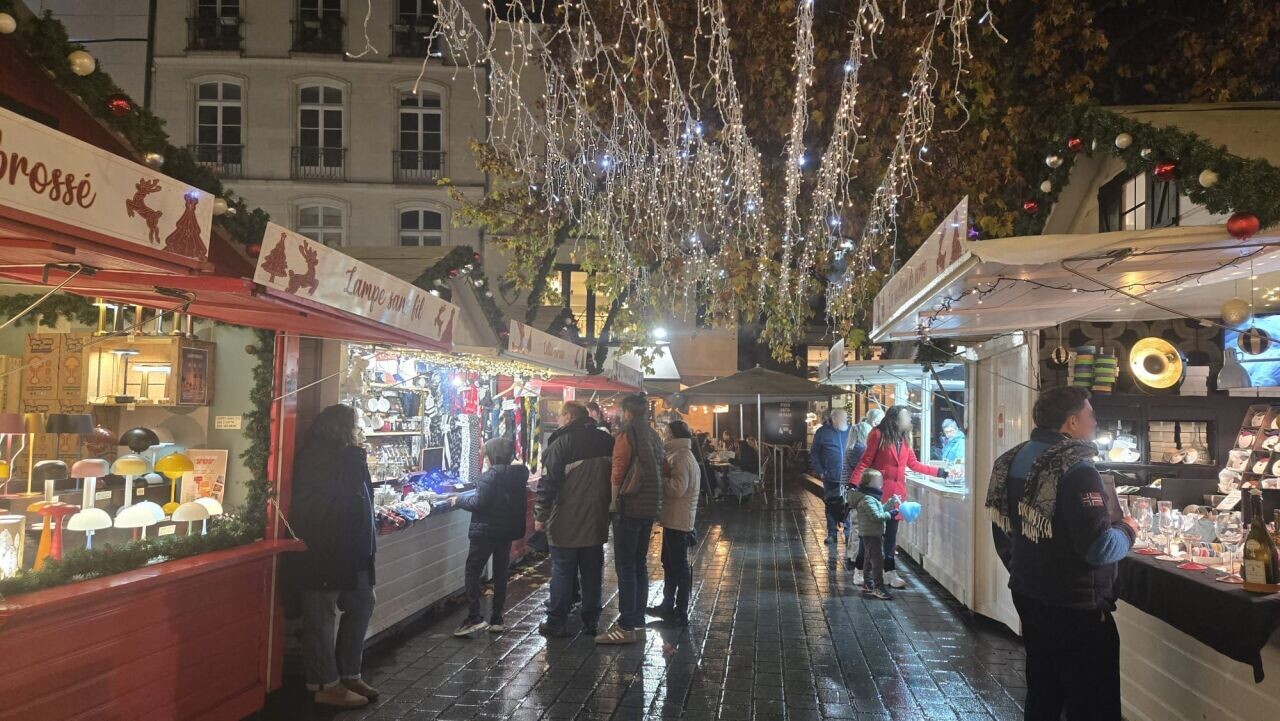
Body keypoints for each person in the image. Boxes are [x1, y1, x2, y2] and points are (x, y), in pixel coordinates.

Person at [986, 387, 1137, 721]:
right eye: (1090, 415)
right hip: (1076, 607)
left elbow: (1003, 531)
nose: (1095, 422)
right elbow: (1100, 549)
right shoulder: (1077, 469)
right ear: (1071, 422)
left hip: (1029, 595)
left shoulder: (1013, 458)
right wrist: (1128, 529)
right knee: (1092, 704)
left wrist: (1028, 570)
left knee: (1044, 694)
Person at [289, 404, 378, 709]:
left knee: (363, 604)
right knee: (321, 617)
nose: (359, 430)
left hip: (355, 551)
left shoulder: (345, 456)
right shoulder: (320, 457)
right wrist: (355, 459)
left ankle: (349, 673)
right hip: (325, 552)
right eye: (355, 424)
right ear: (341, 428)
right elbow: (338, 499)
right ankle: (325, 683)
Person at [535, 401, 614, 638]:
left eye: (559, 416)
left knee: (562, 571)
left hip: (565, 521)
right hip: (597, 518)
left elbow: (548, 484)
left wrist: (540, 516)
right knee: (591, 572)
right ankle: (591, 619)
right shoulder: (606, 441)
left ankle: (556, 620)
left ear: (568, 417)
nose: (558, 420)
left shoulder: (561, 444)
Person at [847, 405, 947, 587]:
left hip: (897, 495)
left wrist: (940, 472)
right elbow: (865, 461)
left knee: (891, 537)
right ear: (895, 419)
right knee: (870, 535)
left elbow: (914, 464)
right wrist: (854, 484)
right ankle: (859, 570)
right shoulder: (877, 435)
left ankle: (890, 573)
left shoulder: (905, 439)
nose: (910, 420)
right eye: (907, 417)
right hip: (877, 493)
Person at [598, 393, 664, 644]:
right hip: (650, 507)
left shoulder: (627, 435)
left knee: (625, 564)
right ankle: (636, 617)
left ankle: (626, 624)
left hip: (629, 506)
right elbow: (663, 468)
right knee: (638, 563)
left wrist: (613, 501)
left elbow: (618, 470)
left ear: (628, 412)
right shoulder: (654, 436)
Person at [453, 437, 528, 637]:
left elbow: (479, 503)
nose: (485, 459)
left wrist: (458, 499)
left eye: (486, 455)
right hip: (505, 531)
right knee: (501, 572)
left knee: (473, 570)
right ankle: (497, 618)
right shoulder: (518, 474)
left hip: (485, 531)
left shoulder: (490, 476)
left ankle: (474, 617)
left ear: (493, 455)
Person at [649, 420, 699, 627]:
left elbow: (679, 488)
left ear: (672, 436)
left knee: (678, 567)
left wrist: (658, 479)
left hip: (679, 520)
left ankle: (680, 610)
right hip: (674, 518)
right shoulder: (680, 455)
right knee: (669, 564)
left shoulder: (680, 457)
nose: (663, 436)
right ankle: (667, 605)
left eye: (666, 433)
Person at [846, 469, 901, 600]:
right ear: (870, 483)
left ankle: (868, 582)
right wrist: (891, 514)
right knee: (877, 561)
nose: (881, 482)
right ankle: (878, 587)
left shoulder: (870, 497)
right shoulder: (867, 499)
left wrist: (890, 502)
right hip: (871, 533)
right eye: (879, 480)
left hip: (871, 532)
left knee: (868, 558)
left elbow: (879, 509)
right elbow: (876, 516)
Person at [810, 409, 853, 547]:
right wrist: (821, 471)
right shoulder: (822, 432)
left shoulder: (852, 431)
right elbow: (815, 453)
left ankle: (848, 533)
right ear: (833, 418)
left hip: (848, 477)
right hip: (831, 476)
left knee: (848, 505)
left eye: (845, 418)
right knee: (830, 504)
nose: (844, 420)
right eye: (841, 417)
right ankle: (832, 533)